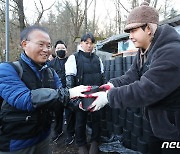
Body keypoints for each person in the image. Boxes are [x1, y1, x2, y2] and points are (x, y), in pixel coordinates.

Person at [87, 2, 180, 154]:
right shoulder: (144, 50)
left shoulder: (172, 52)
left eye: (134, 30)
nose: (130, 37)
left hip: (174, 131)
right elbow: (132, 75)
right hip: (156, 124)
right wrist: (112, 85)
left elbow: (146, 89)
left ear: (148, 29)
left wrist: (109, 97)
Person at [0, 25, 89, 153]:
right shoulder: (7, 69)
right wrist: (69, 93)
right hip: (16, 144)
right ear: (25, 44)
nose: (46, 50)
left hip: (43, 138)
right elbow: (24, 99)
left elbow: (62, 96)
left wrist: (83, 103)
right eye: (41, 44)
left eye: (48, 46)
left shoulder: (51, 73)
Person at [65, 32, 105, 154]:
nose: (89, 45)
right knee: (80, 121)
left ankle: (94, 142)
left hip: (96, 94)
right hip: (81, 95)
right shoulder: (74, 58)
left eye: (91, 43)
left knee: (97, 120)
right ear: (81, 43)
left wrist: (103, 91)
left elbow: (103, 77)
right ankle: (81, 144)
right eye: (86, 42)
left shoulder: (97, 59)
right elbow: (70, 80)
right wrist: (75, 99)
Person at [48, 40, 68, 142]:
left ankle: (71, 133)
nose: (61, 50)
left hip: (69, 91)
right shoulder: (51, 63)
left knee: (70, 114)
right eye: (58, 49)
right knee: (58, 113)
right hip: (57, 92)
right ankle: (58, 131)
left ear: (66, 50)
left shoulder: (71, 61)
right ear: (55, 50)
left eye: (63, 49)